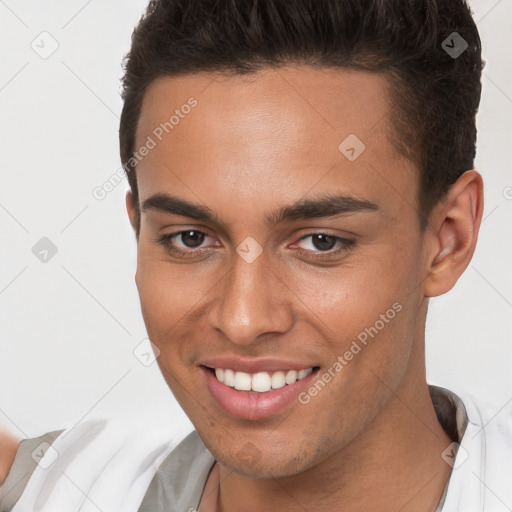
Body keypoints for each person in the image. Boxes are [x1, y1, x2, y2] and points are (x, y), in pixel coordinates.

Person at [1, 0, 511, 510]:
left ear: (448, 239)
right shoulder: (57, 489)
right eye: (191, 238)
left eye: (321, 242)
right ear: (138, 230)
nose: (242, 320)